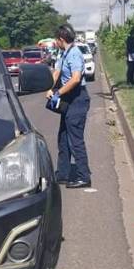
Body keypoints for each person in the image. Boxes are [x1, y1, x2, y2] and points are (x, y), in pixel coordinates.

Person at [47, 24, 92, 188]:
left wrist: (58, 93)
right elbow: (57, 72)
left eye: (56, 40)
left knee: (75, 140)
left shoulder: (74, 53)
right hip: (68, 98)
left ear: (61, 39)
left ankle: (83, 176)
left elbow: (75, 79)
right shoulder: (63, 53)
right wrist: (50, 87)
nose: (55, 42)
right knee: (63, 137)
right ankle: (63, 174)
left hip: (78, 98)